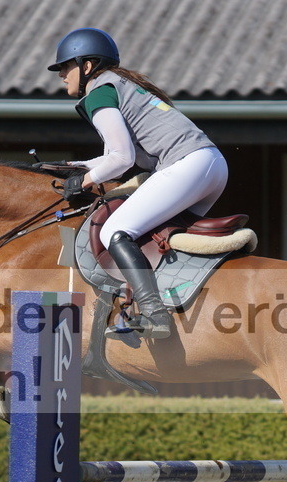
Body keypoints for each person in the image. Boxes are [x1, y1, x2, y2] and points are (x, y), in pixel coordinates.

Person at [48, 27, 228, 339]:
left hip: (187, 165)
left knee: (114, 231)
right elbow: (114, 156)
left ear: (87, 66)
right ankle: (165, 301)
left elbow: (120, 159)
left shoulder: (99, 92)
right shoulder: (119, 85)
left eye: (66, 67)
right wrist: (77, 168)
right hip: (210, 165)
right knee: (157, 237)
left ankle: (154, 312)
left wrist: (84, 183)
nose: (62, 74)